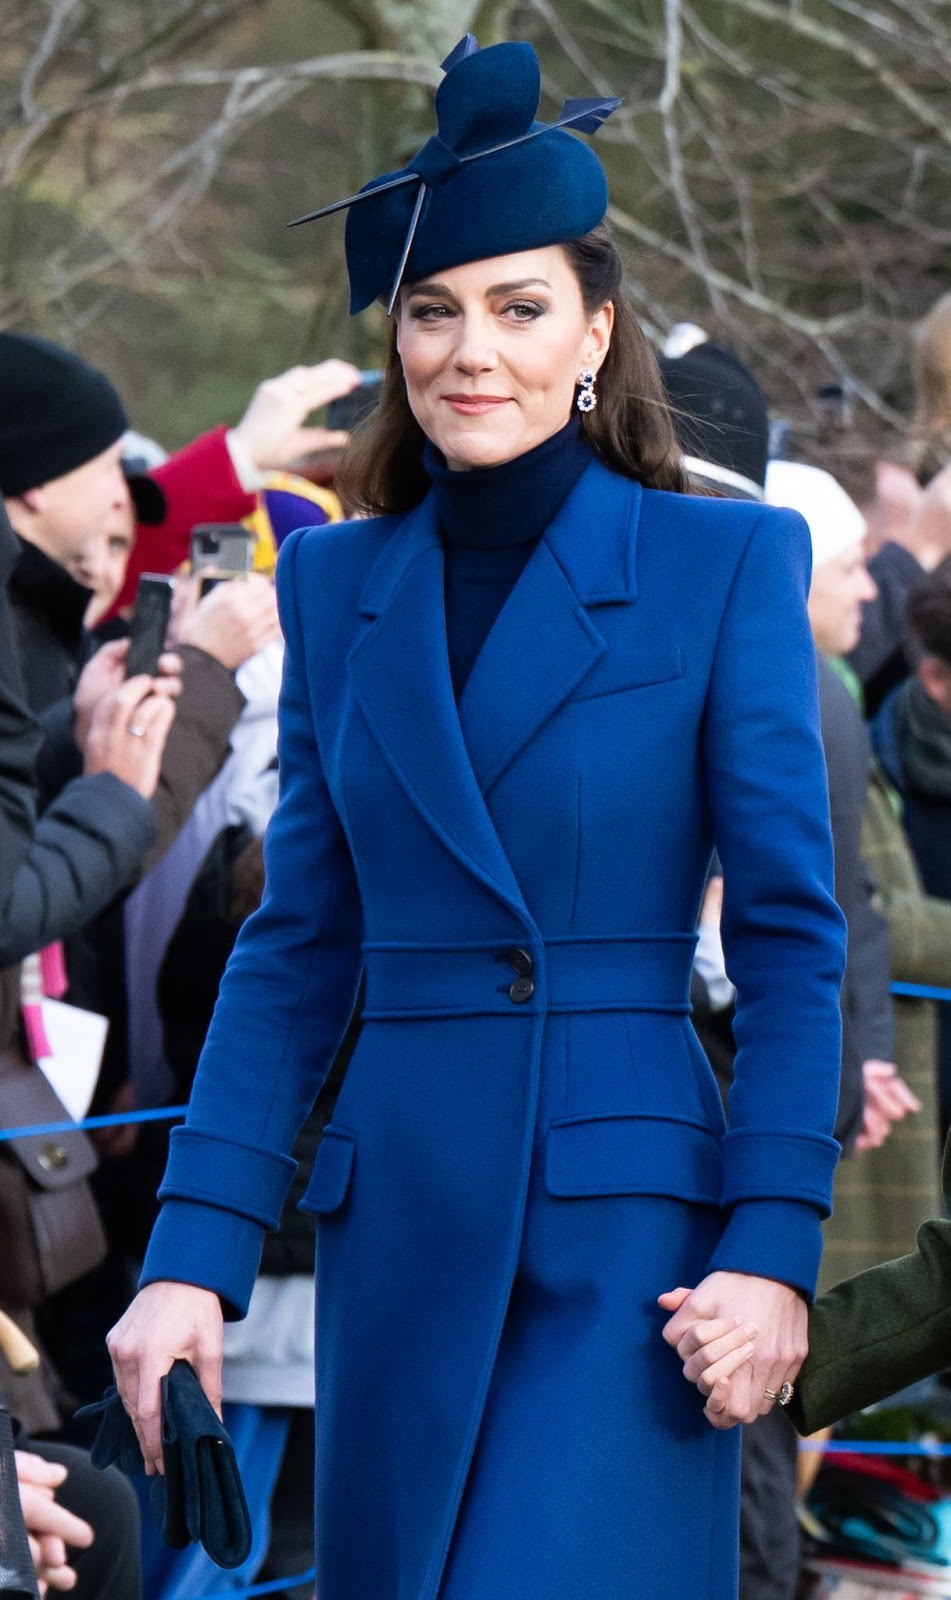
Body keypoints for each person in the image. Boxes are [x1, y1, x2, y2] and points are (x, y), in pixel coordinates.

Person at [106, 35, 846, 1600]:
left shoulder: (726, 566)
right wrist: (190, 1258)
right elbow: (299, 950)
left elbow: (789, 939)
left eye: (519, 309)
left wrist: (775, 1243)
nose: (469, 351)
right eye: (433, 312)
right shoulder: (335, 580)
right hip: (407, 1225)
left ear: (597, 331)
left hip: (635, 1246)